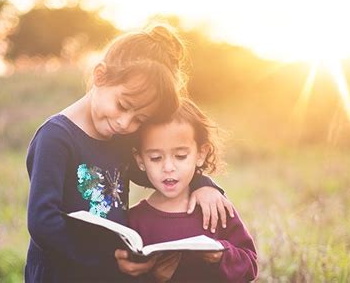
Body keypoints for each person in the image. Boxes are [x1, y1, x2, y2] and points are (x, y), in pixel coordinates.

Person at [25, 24, 235, 282]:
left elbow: (159, 174)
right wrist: (105, 262)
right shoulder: (56, 138)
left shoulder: (119, 138)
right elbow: (42, 222)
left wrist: (203, 184)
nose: (126, 123)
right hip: (61, 273)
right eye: (123, 105)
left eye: (139, 119)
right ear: (100, 76)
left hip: (110, 273)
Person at [129, 98, 258, 282]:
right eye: (156, 158)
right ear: (140, 160)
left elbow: (250, 265)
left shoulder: (215, 207)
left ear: (200, 154)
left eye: (180, 156)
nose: (168, 167)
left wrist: (220, 254)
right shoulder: (135, 221)